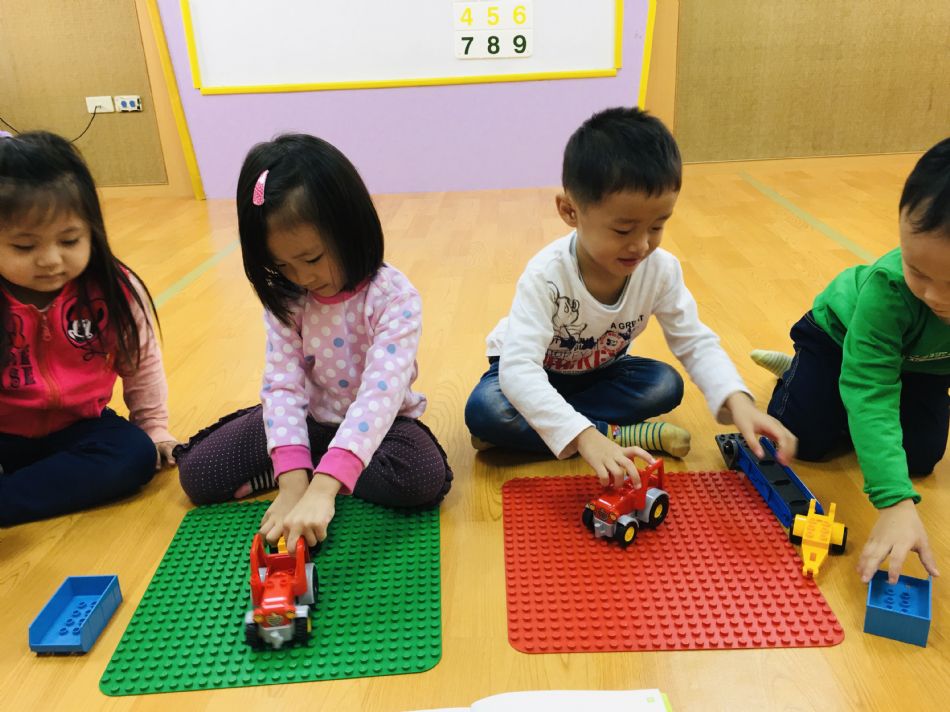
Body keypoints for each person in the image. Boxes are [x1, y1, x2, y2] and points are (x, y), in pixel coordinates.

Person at [464, 107, 796, 488]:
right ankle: (614, 433)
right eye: (623, 230)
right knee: (487, 410)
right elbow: (518, 371)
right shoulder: (546, 276)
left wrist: (740, 403)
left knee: (665, 384)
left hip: (598, 375)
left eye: (657, 226)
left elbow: (694, 341)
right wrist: (588, 438)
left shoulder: (660, 270)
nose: (641, 245)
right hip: (528, 369)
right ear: (570, 211)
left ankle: (540, 428)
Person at [175, 134, 452, 549]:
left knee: (420, 476)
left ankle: (321, 465)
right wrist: (291, 486)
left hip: (380, 428)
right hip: (307, 420)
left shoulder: (393, 297)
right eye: (282, 266)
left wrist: (322, 489)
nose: (302, 277)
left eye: (312, 258)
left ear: (349, 228)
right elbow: (283, 387)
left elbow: (380, 395)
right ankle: (302, 461)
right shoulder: (288, 298)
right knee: (198, 475)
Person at [751, 137, 950, 584]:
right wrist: (894, 502)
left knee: (920, 458)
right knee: (805, 442)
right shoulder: (888, 288)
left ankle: (828, 395)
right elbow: (871, 387)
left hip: (924, 366)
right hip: (837, 340)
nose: (934, 296)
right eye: (918, 271)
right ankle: (798, 372)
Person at [0, 131, 175, 525]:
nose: (50, 259)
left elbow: (141, 364)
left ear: (91, 230)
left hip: (79, 428)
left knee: (135, 455)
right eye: (24, 247)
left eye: (69, 240)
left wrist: (154, 428)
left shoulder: (114, 290)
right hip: (5, 435)